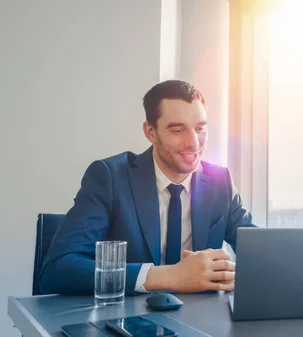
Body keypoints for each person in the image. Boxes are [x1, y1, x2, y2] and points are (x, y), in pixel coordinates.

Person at [39, 80, 255, 295]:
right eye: (178, 130)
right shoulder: (109, 177)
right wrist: (170, 276)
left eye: (200, 129)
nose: (194, 143)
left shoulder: (220, 181)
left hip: (199, 320)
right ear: (150, 132)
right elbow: (57, 269)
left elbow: (262, 252)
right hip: (129, 320)